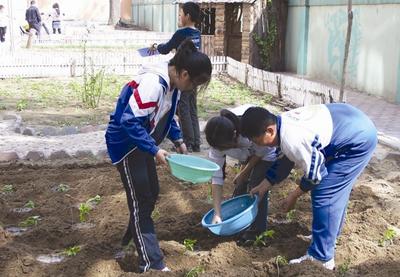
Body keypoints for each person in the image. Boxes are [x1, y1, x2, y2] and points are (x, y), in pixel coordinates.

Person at [105, 40, 212, 273]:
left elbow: (166, 114)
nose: (193, 89)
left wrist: (179, 141)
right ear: (184, 74)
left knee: (150, 193)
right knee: (142, 200)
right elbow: (129, 121)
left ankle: (136, 231)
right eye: (194, 84)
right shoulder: (155, 83)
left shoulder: (173, 83)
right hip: (126, 144)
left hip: (143, 141)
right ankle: (151, 264)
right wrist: (155, 150)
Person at [240, 103, 378, 270]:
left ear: (269, 130)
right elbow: (285, 159)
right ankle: (328, 237)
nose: (259, 146)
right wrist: (264, 185)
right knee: (333, 191)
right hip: (348, 123)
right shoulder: (281, 124)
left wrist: (293, 196)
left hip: (357, 140)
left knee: (325, 191)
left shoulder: (294, 138)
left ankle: (321, 258)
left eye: (257, 140)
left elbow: (314, 176)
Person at [205, 106, 294, 244]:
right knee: (240, 185)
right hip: (249, 154)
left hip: (266, 152)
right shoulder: (217, 144)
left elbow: (261, 151)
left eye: (226, 147)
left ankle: (256, 232)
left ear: (235, 135)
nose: (223, 150)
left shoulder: (248, 134)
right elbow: (216, 179)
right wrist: (217, 212)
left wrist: (245, 171)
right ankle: (240, 224)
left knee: (256, 185)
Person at [153, 2, 202, 152]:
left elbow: (166, 48)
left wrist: (156, 47)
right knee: (192, 108)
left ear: (187, 16)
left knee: (183, 109)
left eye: (180, 14)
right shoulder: (197, 33)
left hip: (184, 76)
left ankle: (187, 142)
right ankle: (196, 142)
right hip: (195, 74)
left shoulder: (181, 33)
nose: (179, 17)